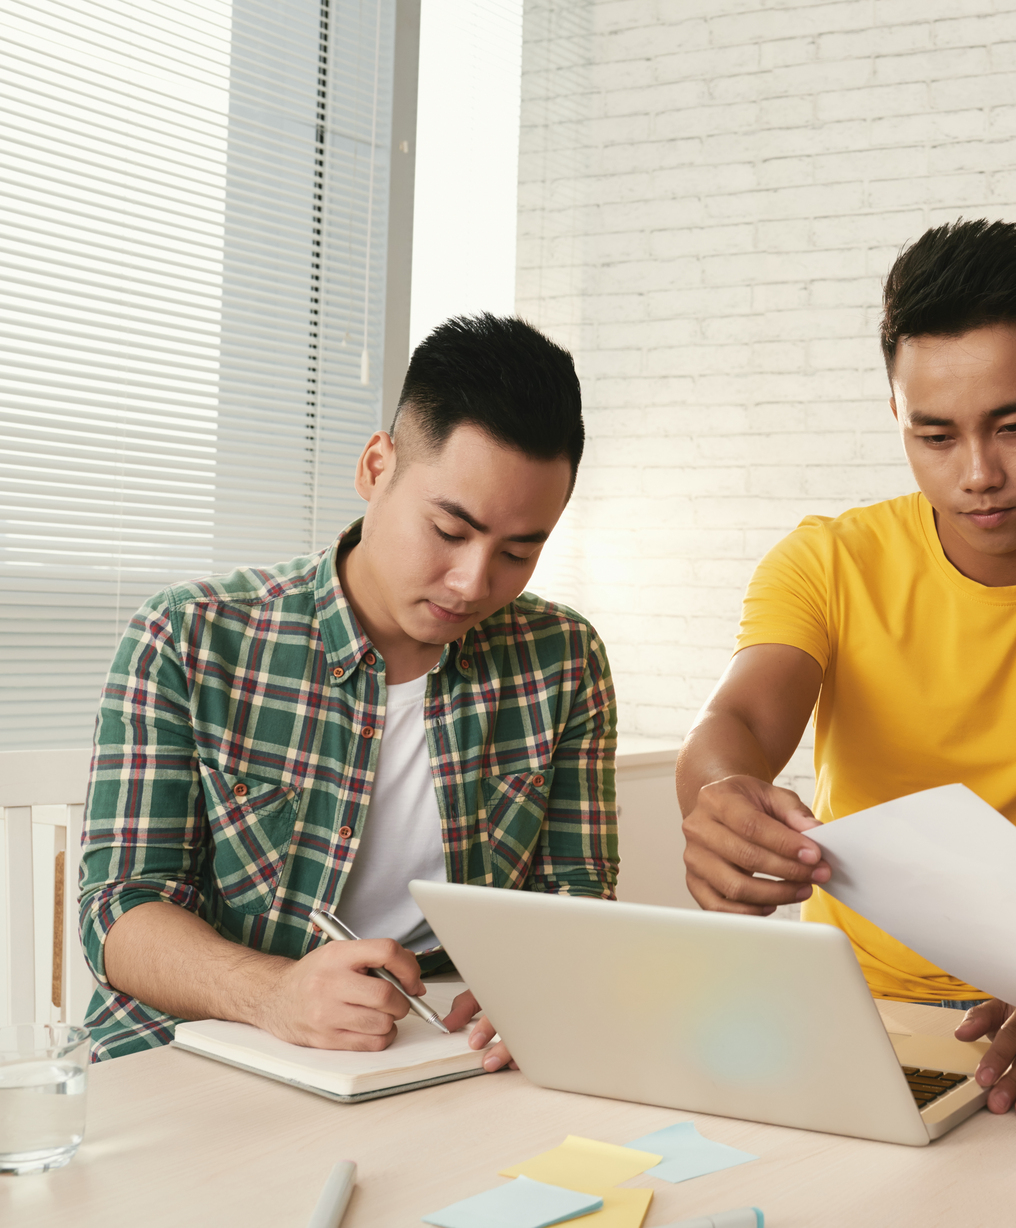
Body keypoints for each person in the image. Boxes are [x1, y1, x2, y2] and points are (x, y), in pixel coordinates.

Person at [677, 219, 1016, 1119]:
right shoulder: (825, 561)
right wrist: (717, 793)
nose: (979, 473)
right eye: (935, 436)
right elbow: (736, 723)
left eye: (1015, 426)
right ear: (896, 417)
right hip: (843, 1005)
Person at [79, 314, 617, 1067]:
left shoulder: (562, 659)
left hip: (430, 1057)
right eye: (449, 531)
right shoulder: (190, 636)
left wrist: (536, 984)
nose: (473, 584)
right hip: (197, 1059)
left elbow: (577, 897)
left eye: (518, 553)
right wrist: (274, 994)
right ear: (375, 467)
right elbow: (119, 909)